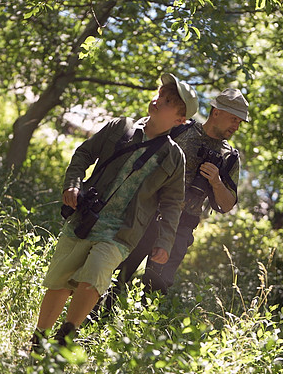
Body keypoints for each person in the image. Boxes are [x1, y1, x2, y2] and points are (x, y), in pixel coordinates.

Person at [31, 73, 198, 350]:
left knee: (93, 279)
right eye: (159, 94)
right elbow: (84, 153)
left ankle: (64, 341)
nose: (157, 100)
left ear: (180, 120)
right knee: (60, 282)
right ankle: (38, 341)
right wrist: (72, 184)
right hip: (83, 218)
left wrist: (165, 242)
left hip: (121, 232)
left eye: (168, 101)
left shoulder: (174, 157)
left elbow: (172, 205)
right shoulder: (121, 127)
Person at [95, 88, 249, 313]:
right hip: (146, 213)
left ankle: (133, 338)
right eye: (234, 119)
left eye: (240, 122)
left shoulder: (229, 157)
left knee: (156, 287)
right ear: (216, 111)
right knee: (119, 272)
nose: (236, 126)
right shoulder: (180, 128)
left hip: (182, 227)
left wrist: (215, 181)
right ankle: (91, 321)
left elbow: (226, 205)